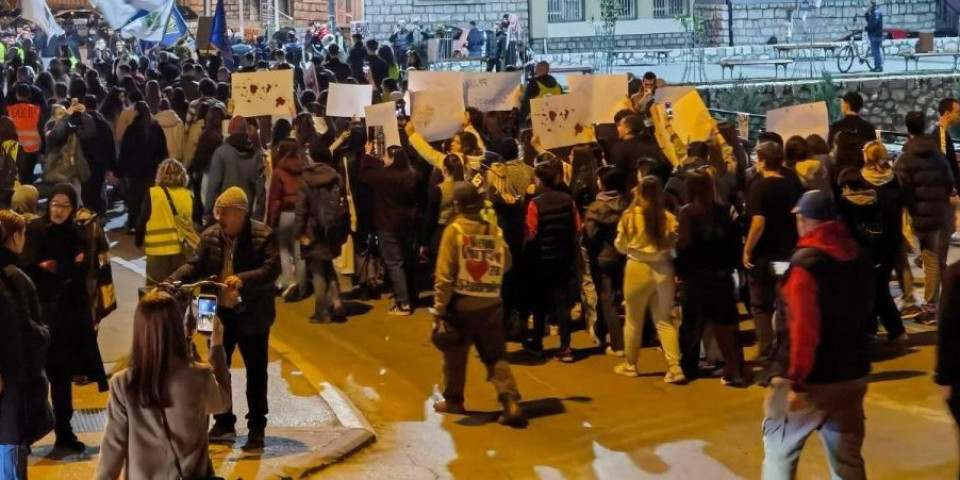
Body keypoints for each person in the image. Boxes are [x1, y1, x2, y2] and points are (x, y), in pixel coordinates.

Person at [762, 190, 872, 480]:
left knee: (779, 452)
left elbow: (803, 328)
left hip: (813, 380)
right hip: (853, 374)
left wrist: (795, 380)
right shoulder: (859, 255)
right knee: (847, 461)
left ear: (804, 219)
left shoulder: (805, 265)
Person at [167, 187, 280, 450]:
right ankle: (223, 422)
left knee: (256, 371)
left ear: (240, 213)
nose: (219, 218)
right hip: (214, 310)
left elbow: (272, 269)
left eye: (224, 213)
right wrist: (173, 279)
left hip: (252, 313)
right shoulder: (210, 236)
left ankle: (256, 428)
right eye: (217, 212)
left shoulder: (263, 235)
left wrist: (243, 279)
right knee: (215, 369)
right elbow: (195, 264)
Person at [95, 290, 231, 480]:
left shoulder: (123, 383)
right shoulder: (199, 375)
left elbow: (113, 447)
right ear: (177, 327)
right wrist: (215, 346)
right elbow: (222, 404)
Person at [431, 183, 526, 427]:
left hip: (461, 306)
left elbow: (444, 275)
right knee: (495, 355)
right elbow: (506, 263)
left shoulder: (454, 231)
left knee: (454, 354)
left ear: (457, 205)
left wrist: (439, 308)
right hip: (492, 303)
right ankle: (510, 401)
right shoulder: (492, 229)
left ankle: (454, 399)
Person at [28, 183, 107, 452]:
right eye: (54, 204)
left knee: (62, 377)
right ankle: (25, 435)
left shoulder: (76, 233)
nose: (58, 210)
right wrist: (59, 267)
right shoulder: (36, 231)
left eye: (64, 205)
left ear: (73, 208)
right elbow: (29, 269)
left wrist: (60, 268)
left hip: (68, 319)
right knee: (34, 379)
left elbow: (84, 273)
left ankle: (65, 431)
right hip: (40, 317)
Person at [676, 170, 745, 385]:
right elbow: (734, 245)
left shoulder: (687, 213)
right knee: (726, 324)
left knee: (691, 325)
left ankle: (688, 367)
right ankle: (734, 367)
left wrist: (679, 270)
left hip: (694, 277)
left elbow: (683, 247)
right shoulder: (723, 212)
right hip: (721, 276)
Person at [613, 176, 683, 382]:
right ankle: (674, 366)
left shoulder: (628, 217)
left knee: (633, 320)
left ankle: (631, 364)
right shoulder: (667, 217)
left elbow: (620, 245)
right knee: (664, 320)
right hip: (663, 269)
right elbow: (674, 246)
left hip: (637, 267)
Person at [0, 210, 53, 480]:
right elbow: (27, 334)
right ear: (17, 237)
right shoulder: (14, 279)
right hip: (12, 393)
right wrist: (44, 332)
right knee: (10, 463)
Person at [837, 141, 906, 342]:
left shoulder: (861, 181)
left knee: (875, 286)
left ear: (866, 157)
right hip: (892, 238)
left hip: (871, 240)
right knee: (879, 283)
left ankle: (892, 330)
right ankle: (876, 328)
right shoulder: (895, 178)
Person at [743, 142, 803, 366]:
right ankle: (787, 345)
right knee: (786, 300)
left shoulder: (759, 187)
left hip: (764, 254)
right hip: (787, 252)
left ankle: (766, 347)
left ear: (763, 161)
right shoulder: (792, 184)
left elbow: (758, 222)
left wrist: (747, 249)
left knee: (761, 303)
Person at [895, 111, 954, 324]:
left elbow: (902, 188)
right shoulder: (937, 153)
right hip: (938, 212)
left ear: (907, 129)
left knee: (929, 258)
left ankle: (930, 308)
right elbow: (949, 180)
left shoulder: (906, 156)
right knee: (931, 257)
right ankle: (931, 305)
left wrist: (911, 208)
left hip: (919, 214)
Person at [523, 161, 580, 362]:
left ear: (538, 179)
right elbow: (576, 229)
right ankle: (566, 346)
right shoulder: (568, 200)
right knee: (562, 303)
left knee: (540, 303)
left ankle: (537, 343)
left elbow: (531, 233)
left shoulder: (535, 204)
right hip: (564, 258)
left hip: (541, 260)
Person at [358, 145, 419, 315]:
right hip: (407, 223)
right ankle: (409, 295)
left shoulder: (385, 176)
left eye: (385, 156)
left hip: (387, 223)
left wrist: (368, 154)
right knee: (406, 261)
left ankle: (403, 303)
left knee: (394, 263)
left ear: (392, 158)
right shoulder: (412, 175)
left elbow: (364, 175)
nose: (383, 159)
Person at [295, 144, 350, 323]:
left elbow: (301, 209)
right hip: (332, 229)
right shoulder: (337, 177)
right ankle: (338, 303)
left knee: (317, 271)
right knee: (327, 265)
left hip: (312, 230)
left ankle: (322, 312)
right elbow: (343, 205)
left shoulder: (305, 178)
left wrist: (298, 232)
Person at [583, 166, 628, 356]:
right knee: (620, 297)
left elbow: (591, 236)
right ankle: (602, 332)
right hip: (623, 254)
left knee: (606, 297)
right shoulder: (628, 203)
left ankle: (617, 343)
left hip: (602, 256)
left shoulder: (596, 208)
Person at [135, 159, 193, 285]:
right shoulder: (188, 195)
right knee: (177, 289)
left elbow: (142, 220)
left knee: (155, 292)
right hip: (180, 251)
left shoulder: (153, 193)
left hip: (156, 253)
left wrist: (138, 242)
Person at [118, 101, 168, 234]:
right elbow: (163, 151)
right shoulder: (156, 129)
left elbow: (125, 151)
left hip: (135, 171)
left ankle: (134, 224)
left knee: (135, 198)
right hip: (152, 171)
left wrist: (120, 170)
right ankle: (149, 223)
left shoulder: (132, 129)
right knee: (149, 199)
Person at [205, 116, 265, 222]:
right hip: (246, 210)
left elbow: (213, 185)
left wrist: (208, 213)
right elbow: (260, 187)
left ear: (229, 130)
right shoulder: (256, 154)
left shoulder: (221, 153)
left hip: (225, 209)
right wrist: (259, 214)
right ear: (246, 130)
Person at [267, 138, 305, 297]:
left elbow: (274, 200)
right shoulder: (303, 168)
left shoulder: (278, 171)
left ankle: (289, 283)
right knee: (299, 251)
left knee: (283, 249)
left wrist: (270, 221)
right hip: (301, 212)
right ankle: (301, 285)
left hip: (285, 214)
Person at [610, 114, 670, 191]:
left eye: (620, 125)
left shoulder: (618, 149)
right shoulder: (652, 146)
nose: (617, 128)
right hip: (656, 192)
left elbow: (618, 177)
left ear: (628, 130)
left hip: (633, 195)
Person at [933, 97, 960, 191]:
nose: (959, 115)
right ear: (947, 114)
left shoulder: (943, 132)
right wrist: (951, 187)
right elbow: (942, 163)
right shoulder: (940, 134)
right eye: (957, 112)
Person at [865, 0, 883, 72]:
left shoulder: (876, 13)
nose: (867, 6)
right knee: (875, 51)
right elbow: (868, 21)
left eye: (868, 5)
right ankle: (877, 66)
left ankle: (878, 67)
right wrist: (867, 13)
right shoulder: (872, 13)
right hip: (873, 34)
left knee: (876, 51)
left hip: (876, 35)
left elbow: (874, 24)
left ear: (872, 5)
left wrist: (867, 28)